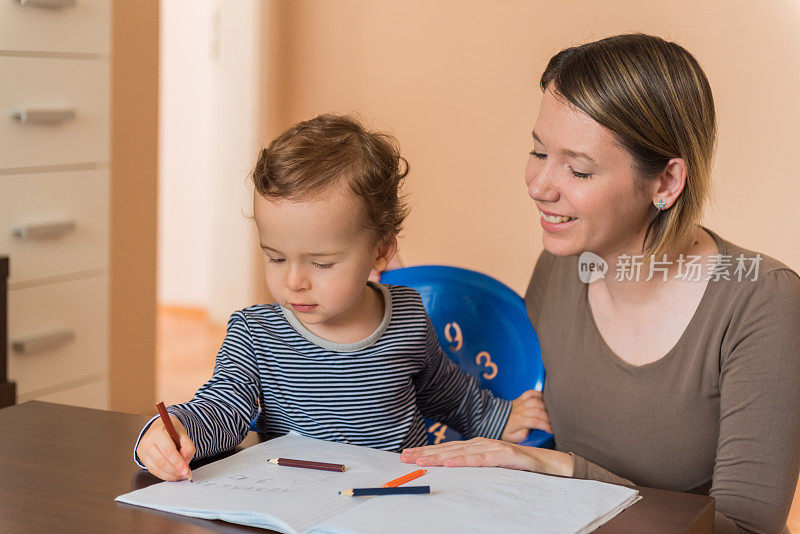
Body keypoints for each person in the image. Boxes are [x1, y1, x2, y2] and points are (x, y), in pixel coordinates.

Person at [400, 34, 800, 533]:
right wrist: (372, 304)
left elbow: (749, 528)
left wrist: (567, 470)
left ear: (666, 183)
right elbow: (517, 415)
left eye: (579, 170)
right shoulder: (563, 264)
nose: (539, 185)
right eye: (537, 150)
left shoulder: (763, 299)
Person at [133, 114, 549, 482]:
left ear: (381, 251)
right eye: (275, 257)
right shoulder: (255, 333)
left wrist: (501, 417)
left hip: (401, 498)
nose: (293, 281)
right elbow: (222, 408)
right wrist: (176, 431)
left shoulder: (405, 314)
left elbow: (447, 392)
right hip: (299, 503)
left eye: (322, 264)